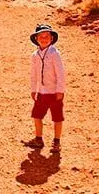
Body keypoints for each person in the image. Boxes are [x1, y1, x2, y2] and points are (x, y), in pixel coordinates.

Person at [24, 23, 66, 153]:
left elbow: (61, 73)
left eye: (46, 36)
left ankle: (56, 141)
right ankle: (38, 139)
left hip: (54, 92)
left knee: (57, 117)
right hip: (42, 92)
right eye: (41, 36)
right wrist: (33, 89)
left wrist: (60, 90)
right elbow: (33, 74)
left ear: (51, 38)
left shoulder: (54, 53)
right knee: (37, 116)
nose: (44, 39)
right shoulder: (35, 55)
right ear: (36, 39)